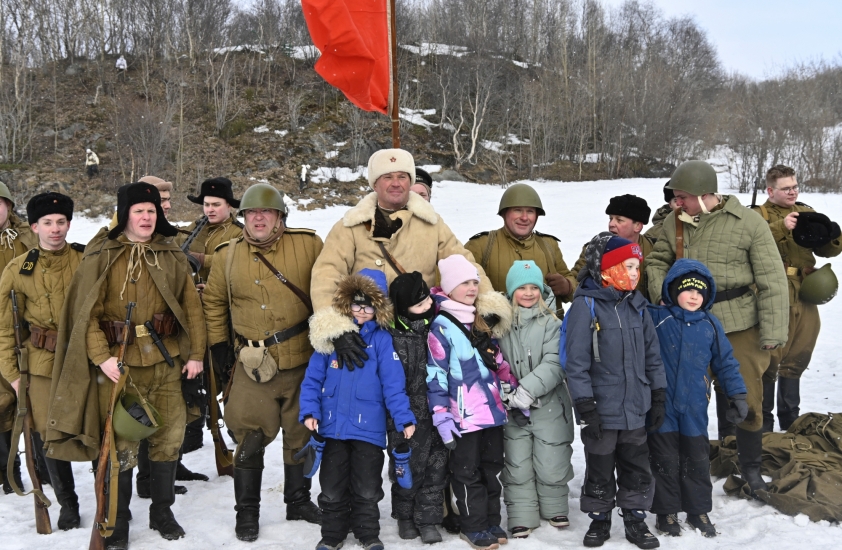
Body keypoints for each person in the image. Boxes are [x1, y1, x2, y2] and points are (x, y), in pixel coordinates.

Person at [45, 182, 206, 548]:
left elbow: (191, 309)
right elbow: (87, 315)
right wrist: (102, 357)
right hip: (121, 366)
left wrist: (195, 354)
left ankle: (162, 512)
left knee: (168, 440)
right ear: (125, 216)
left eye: (151, 211)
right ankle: (117, 521)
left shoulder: (170, 253)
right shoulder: (102, 254)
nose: (147, 217)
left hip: (166, 362)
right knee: (121, 447)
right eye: (139, 211)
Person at [645, 160, 788, 498]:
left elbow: (771, 280)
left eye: (682, 197)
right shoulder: (674, 223)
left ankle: (750, 469)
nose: (676, 203)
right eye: (675, 198)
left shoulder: (749, 223)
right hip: (686, 324)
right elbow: (655, 262)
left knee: (748, 401)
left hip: (738, 323)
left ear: (705, 194)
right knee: (680, 397)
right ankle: (675, 468)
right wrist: (663, 294)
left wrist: (772, 332)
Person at [308, 148, 509, 378]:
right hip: (369, 338)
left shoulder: (431, 223)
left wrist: (485, 302)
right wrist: (336, 329)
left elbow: (461, 262)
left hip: (421, 338)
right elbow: (326, 274)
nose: (396, 183)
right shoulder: (350, 226)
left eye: (402, 176)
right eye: (388, 176)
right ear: (375, 183)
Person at [203, 183, 324, 542]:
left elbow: (327, 291)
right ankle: (248, 512)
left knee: (302, 433)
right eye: (251, 213)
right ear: (242, 217)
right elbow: (212, 303)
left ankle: (298, 499)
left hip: (303, 360)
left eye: (266, 213)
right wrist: (219, 345)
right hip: (252, 365)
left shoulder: (309, 245)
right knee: (250, 437)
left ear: (280, 217)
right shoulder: (226, 255)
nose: (257, 218)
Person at [300, 269, 416, 550]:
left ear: (379, 308)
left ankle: (367, 533)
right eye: (357, 304)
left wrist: (404, 417)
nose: (362, 311)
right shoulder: (329, 340)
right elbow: (312, 380)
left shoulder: (382, 341)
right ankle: (332, 534)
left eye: (369, 306)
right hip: (332, 427)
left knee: (366, 486)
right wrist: (310, 412)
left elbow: (393, 384)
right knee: (331, 485)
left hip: (368, 429)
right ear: (346, 304)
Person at [566, 232, 666, 549]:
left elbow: (653, 356)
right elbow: (576, 363)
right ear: (608, 269)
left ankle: (635, 519)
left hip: (636, 406)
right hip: (602, 408)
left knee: (636, 464)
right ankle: (600, 518)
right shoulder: (586, 307)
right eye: (629, 266)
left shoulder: (639, 307)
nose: (636, 274)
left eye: (638, 268)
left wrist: (658, 395)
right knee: (599, 465)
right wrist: (585, 404)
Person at [646, 259, 747, 538]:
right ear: (672, 290)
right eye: (688, 290)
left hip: (694, 407)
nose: (694, 296)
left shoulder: (710, 324)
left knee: (697, 459)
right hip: (663, 406)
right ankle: (665, 512)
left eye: (700, 292)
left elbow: (726, 362)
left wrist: (736, 393)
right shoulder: (656, 317)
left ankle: (697, 510)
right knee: (664, 460)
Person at [0, 192, 84, 529]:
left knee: (93, 429)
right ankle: (68, 503)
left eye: (61, 222)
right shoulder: (17, 269)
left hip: (83, 359)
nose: (55, 229)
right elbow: (5, 329)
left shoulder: (84, 260)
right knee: (47, 436)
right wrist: (13, 376)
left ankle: (107, 496)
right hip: (40, 364)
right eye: (47, 223)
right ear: (34, 227)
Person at [426, 254, 520, 550]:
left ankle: (491, 520)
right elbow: (436, 374)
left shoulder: (478, 318)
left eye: (474, 282)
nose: (471, 288)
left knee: (491, 468)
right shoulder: (441, 325)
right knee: (466, 472)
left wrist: (512, 389)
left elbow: (497, 361)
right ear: (449, 287)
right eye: (464, 282)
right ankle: (474, 525)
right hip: (464, 416)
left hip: (492, 411)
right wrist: (441, 414)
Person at [755, 165, 842, 432]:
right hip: (774, 291)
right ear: (770, 190)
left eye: (794, 186)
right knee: (770, 360)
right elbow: (750, 242)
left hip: (804, 292)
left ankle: (790, 422)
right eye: (786, 188)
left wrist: (833, 236)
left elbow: (827, 252)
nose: (792, 191)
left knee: (798, 356)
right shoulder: (758, 216)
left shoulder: (807, 212)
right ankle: (764, 425)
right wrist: (782, 226)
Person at [497, 261, 574, 539]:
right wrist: (508, 394)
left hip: (549, 406)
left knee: (551, 457)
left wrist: (527, 391)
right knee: (517, 462)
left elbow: (556, 361)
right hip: (511, 408)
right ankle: (521, 514)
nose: (528, 293)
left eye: (534, 287)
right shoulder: (500, 324)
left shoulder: (553, 322)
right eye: (522, 288)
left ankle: (554, 507)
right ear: (511, 291)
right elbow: (495, 361)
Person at [386, 271, 447, 544]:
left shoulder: (437, 325)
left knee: (436, 467)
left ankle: (429, 519)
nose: (426, 308)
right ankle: (405, 517)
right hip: (405, 415)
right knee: (406, 467)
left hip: (437, 411)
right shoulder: (392, 336)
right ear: (402, 308)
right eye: (418, 305)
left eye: (427, 301)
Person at [465, 183, 576, 315]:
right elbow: (457, 284)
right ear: (504, 213)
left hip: (547, 331)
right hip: (498, 331)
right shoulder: (481, 245)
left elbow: (570, 279)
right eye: (517, 210)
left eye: (530, 211)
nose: (524, 217)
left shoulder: (549, 245)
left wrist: (568, 286)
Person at [0, 180, 37, 494]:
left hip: (23, 327)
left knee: (30, 400)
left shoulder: (24, 238)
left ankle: (41, 469)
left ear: (9, 207)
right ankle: (7, 472)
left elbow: (36, 264)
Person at [570, 195, 654, 293]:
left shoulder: (654, 249)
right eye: (611, 219)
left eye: (619, 220)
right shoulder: (597, 248)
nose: (611, 224)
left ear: (637, 226)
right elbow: (577, 279)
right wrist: (568, 286)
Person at [181, 176, 244, 282]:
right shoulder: (193, 227)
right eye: (206, 205)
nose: (210, 210)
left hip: (221, 295)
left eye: (216, 205)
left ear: (229, 205)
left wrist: (201, 259)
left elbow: (239, 261)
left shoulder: (240, 233)